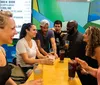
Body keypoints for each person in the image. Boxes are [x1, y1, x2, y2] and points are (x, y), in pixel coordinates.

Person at [0, 10, 42, 85]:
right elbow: (26, 60)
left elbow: (5, 78)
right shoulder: (21, 42)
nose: (16, 32)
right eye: (12, 28)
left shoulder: (2, 51)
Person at [66, 20, 98, 85]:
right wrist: (80, 65)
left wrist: (87, 71)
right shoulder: (88, 47)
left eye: (86, 34)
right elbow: (86, 62)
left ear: (92, 36)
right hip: (87, 75)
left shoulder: (97, 50)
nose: (83, 35)